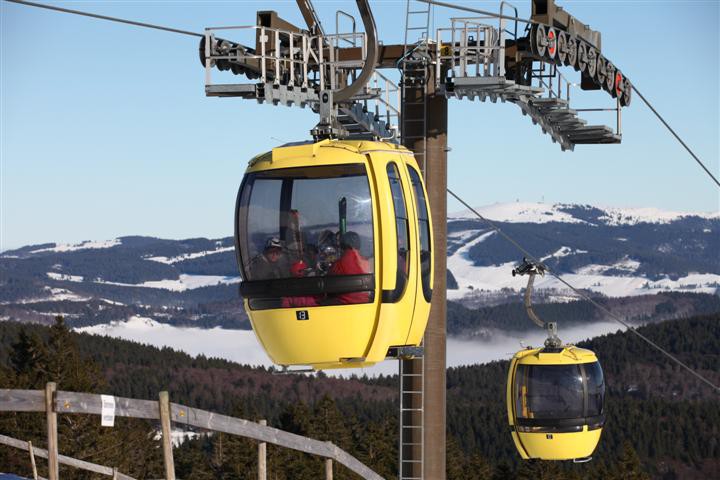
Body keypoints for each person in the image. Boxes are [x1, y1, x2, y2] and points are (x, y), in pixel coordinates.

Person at [327, 231, 371, 304]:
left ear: (342, 245)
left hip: (345, 303)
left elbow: (329, 283)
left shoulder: (339, 263)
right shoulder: (366, 262)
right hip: (365, 301)